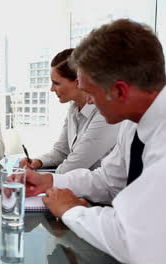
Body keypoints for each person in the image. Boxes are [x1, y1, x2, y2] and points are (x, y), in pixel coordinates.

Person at [24, 19, 166, 263]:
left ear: (120, 91)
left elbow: (133, 240)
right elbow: (108, 179)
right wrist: (49, 179)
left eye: (91, 92)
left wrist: (71, 211)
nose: (88, 102)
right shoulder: (133, 123)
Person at [19, 49, 120, 173]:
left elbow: (76, 163)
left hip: (100, 190)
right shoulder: (73, 108)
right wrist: (38, 162)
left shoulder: (104, 114)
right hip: (79, 185)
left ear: (78, 82)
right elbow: (62, 151)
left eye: (56, 83)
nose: (52, 89)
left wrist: (41, 179)